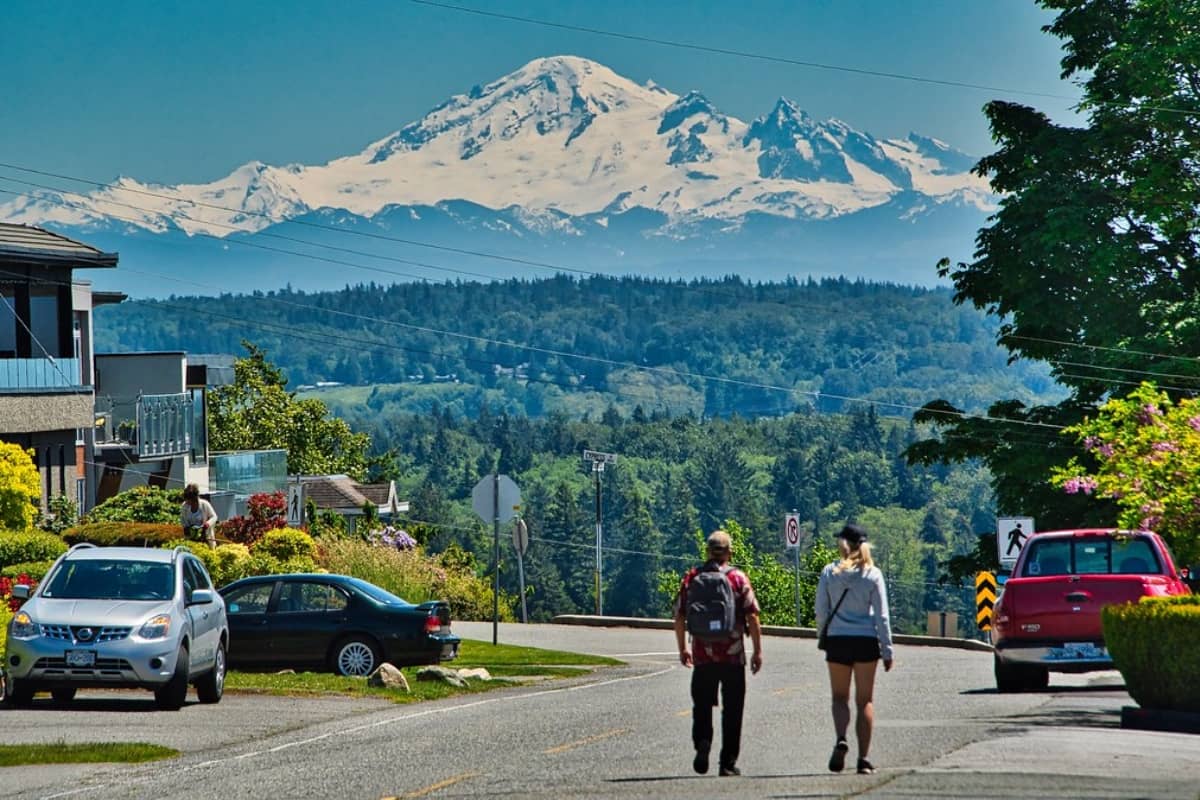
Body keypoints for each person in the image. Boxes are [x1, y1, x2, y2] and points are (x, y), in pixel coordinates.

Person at [673, 529, 763, 777]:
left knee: (702, 705)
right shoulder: (737, 578)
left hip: (703, 654)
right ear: (729, 552)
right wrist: (757, 651)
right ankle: (727, 763)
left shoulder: (692, 578)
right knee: (733, 709)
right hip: (733, 656)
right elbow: (752, 616)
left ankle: (702, 742)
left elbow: (679, 616)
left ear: (707, 551)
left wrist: (683, 647)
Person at [815, 523, 894, 775]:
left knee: (839, 697)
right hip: (865, 641)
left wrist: (823, 635)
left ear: (843, 544)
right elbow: (882, 616)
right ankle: (864, 758)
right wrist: (887, 649)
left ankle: (841, 737)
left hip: (838, 639)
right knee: (865, 700)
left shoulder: (830, 572)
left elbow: (821, 610)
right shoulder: (873, 574)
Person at [180, 483, 218, 548]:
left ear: (194, 498)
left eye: (189, 499)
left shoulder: (204, 504)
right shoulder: (184, 506)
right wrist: (187, 528)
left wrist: (207, 524)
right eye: (186, 499)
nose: (187, 501)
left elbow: (214, 517)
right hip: (191, 539)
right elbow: (183, 520)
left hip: (206, 538)